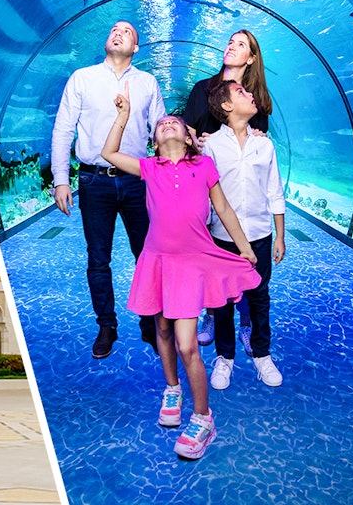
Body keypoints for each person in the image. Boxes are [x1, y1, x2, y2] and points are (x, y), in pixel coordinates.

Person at [101, 87, 260, 460]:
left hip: (191, 262)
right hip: (157, 261)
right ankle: (172, 387)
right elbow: (107, 154)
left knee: (188, 343)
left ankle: (203, 418)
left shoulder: (203, 166)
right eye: (161, 125)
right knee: (162, 329)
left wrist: (245, 247)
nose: (169, 124)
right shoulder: (148, 168)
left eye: (176, 123)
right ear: (154, 142)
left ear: (190, 137)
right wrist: (123, 117)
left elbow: (223, 209)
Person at [51, 20, 167, 359]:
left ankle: (150, 321)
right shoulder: (82, 78)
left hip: (136, 179)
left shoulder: (147, 83)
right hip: (93, 180)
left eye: (127, 32)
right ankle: (107, 325)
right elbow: (63, 130)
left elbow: (161, 132)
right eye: (113, 29)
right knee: (98, 259)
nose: (117, 32)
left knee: (146, 255)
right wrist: (61, 178)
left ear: (135, 48)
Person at [182, 29, 274, 348]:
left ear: (251, 58)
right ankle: (214, 312)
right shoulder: (202, 89)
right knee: (214, 256)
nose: (231, 47)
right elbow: (188, 132)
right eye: (230, 42)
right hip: (206, 189)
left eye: (240, 45)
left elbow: (260, 143)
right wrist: (199, 142)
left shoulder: (253, 101)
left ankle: (246, 321)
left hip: (242, 194)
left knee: (246, 259)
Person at [203, 80, 286, 388]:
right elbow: (206, 195)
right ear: (227, 106)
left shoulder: (264, 144)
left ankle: (262, 355)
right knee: (222, 300)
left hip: (261, 234)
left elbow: (274, 191)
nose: (250, 95)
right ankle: (225, 357)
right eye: (241, 93)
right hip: (222, 236)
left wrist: (280, 235)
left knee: (260, 296)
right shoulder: (211, 145)